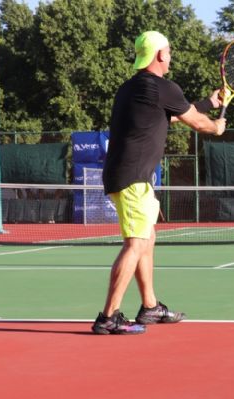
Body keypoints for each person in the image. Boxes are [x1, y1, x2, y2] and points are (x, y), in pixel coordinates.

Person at [92, 31, 227, 335]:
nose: (171, 55)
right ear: (160, 55)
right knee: (136, 243)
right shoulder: (162, 87)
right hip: (133, 177)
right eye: (169, 50)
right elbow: (196, 122)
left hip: (126, 175)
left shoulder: (131, 88)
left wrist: (208, 102)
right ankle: (108, 317)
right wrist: (216, 127)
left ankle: (150, 307)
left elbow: (173, 115)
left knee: (147, 238)